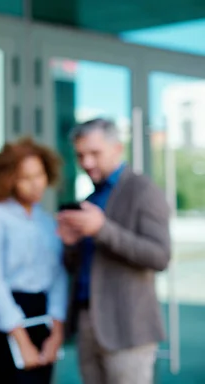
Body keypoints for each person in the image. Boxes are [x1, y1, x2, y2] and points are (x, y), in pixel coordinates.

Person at [57, 118, 170, 384]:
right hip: (87, 322)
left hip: (128, 327)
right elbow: (78, 267)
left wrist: (102, 229)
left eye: (94, 153)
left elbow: (160, 256)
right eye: (80, 155)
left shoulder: (143, 189)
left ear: (118, 148)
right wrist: (70, 244)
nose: (86, 163)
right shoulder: (89, 200)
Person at [0, 138, 68, 384]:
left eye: (40, 175)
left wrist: (56, 333)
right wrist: (21, 341)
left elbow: (58, 275)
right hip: (5, 318)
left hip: (42, 314)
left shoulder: (45, 221)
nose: (36, 184)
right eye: (26, 177)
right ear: (8, 179)